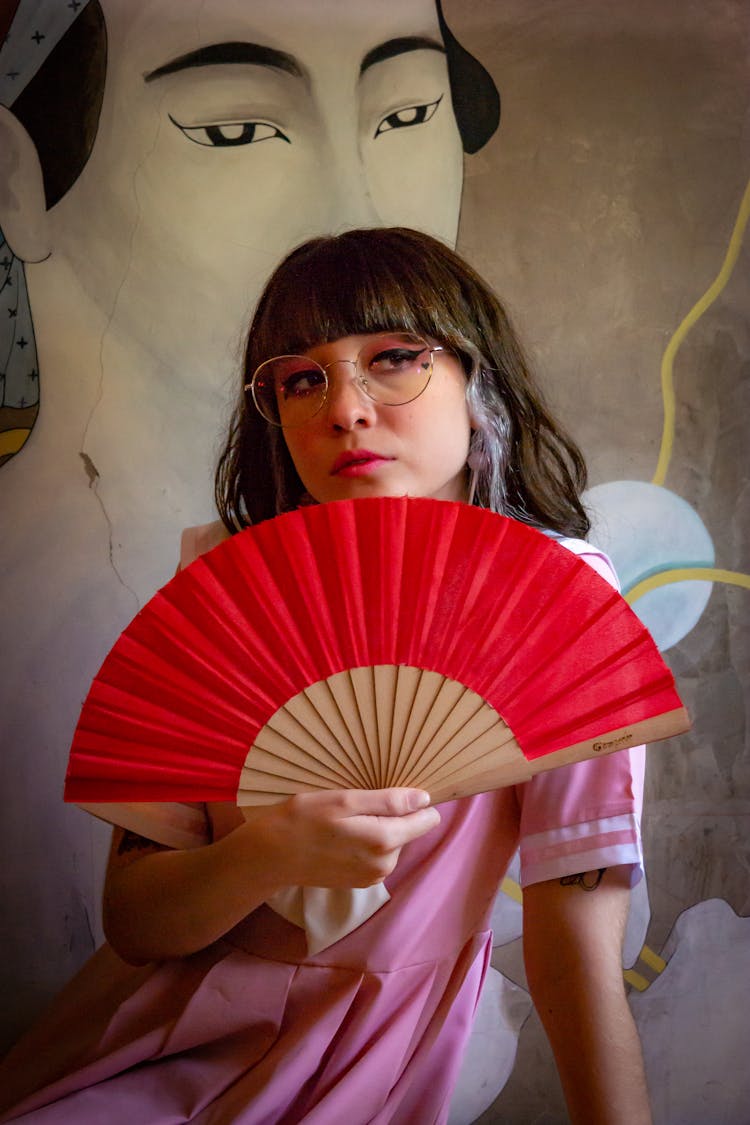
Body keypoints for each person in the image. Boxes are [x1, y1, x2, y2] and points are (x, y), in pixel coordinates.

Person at [0, 228, 651, 1124]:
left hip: (379, 1047)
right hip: (155, 1040)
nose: (343, 408)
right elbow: (136, 922)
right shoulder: (220, 588)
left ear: (479, 382)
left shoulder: (561, 599)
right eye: (302, 377)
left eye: (392, 359)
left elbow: (574, 943)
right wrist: (267, 852)